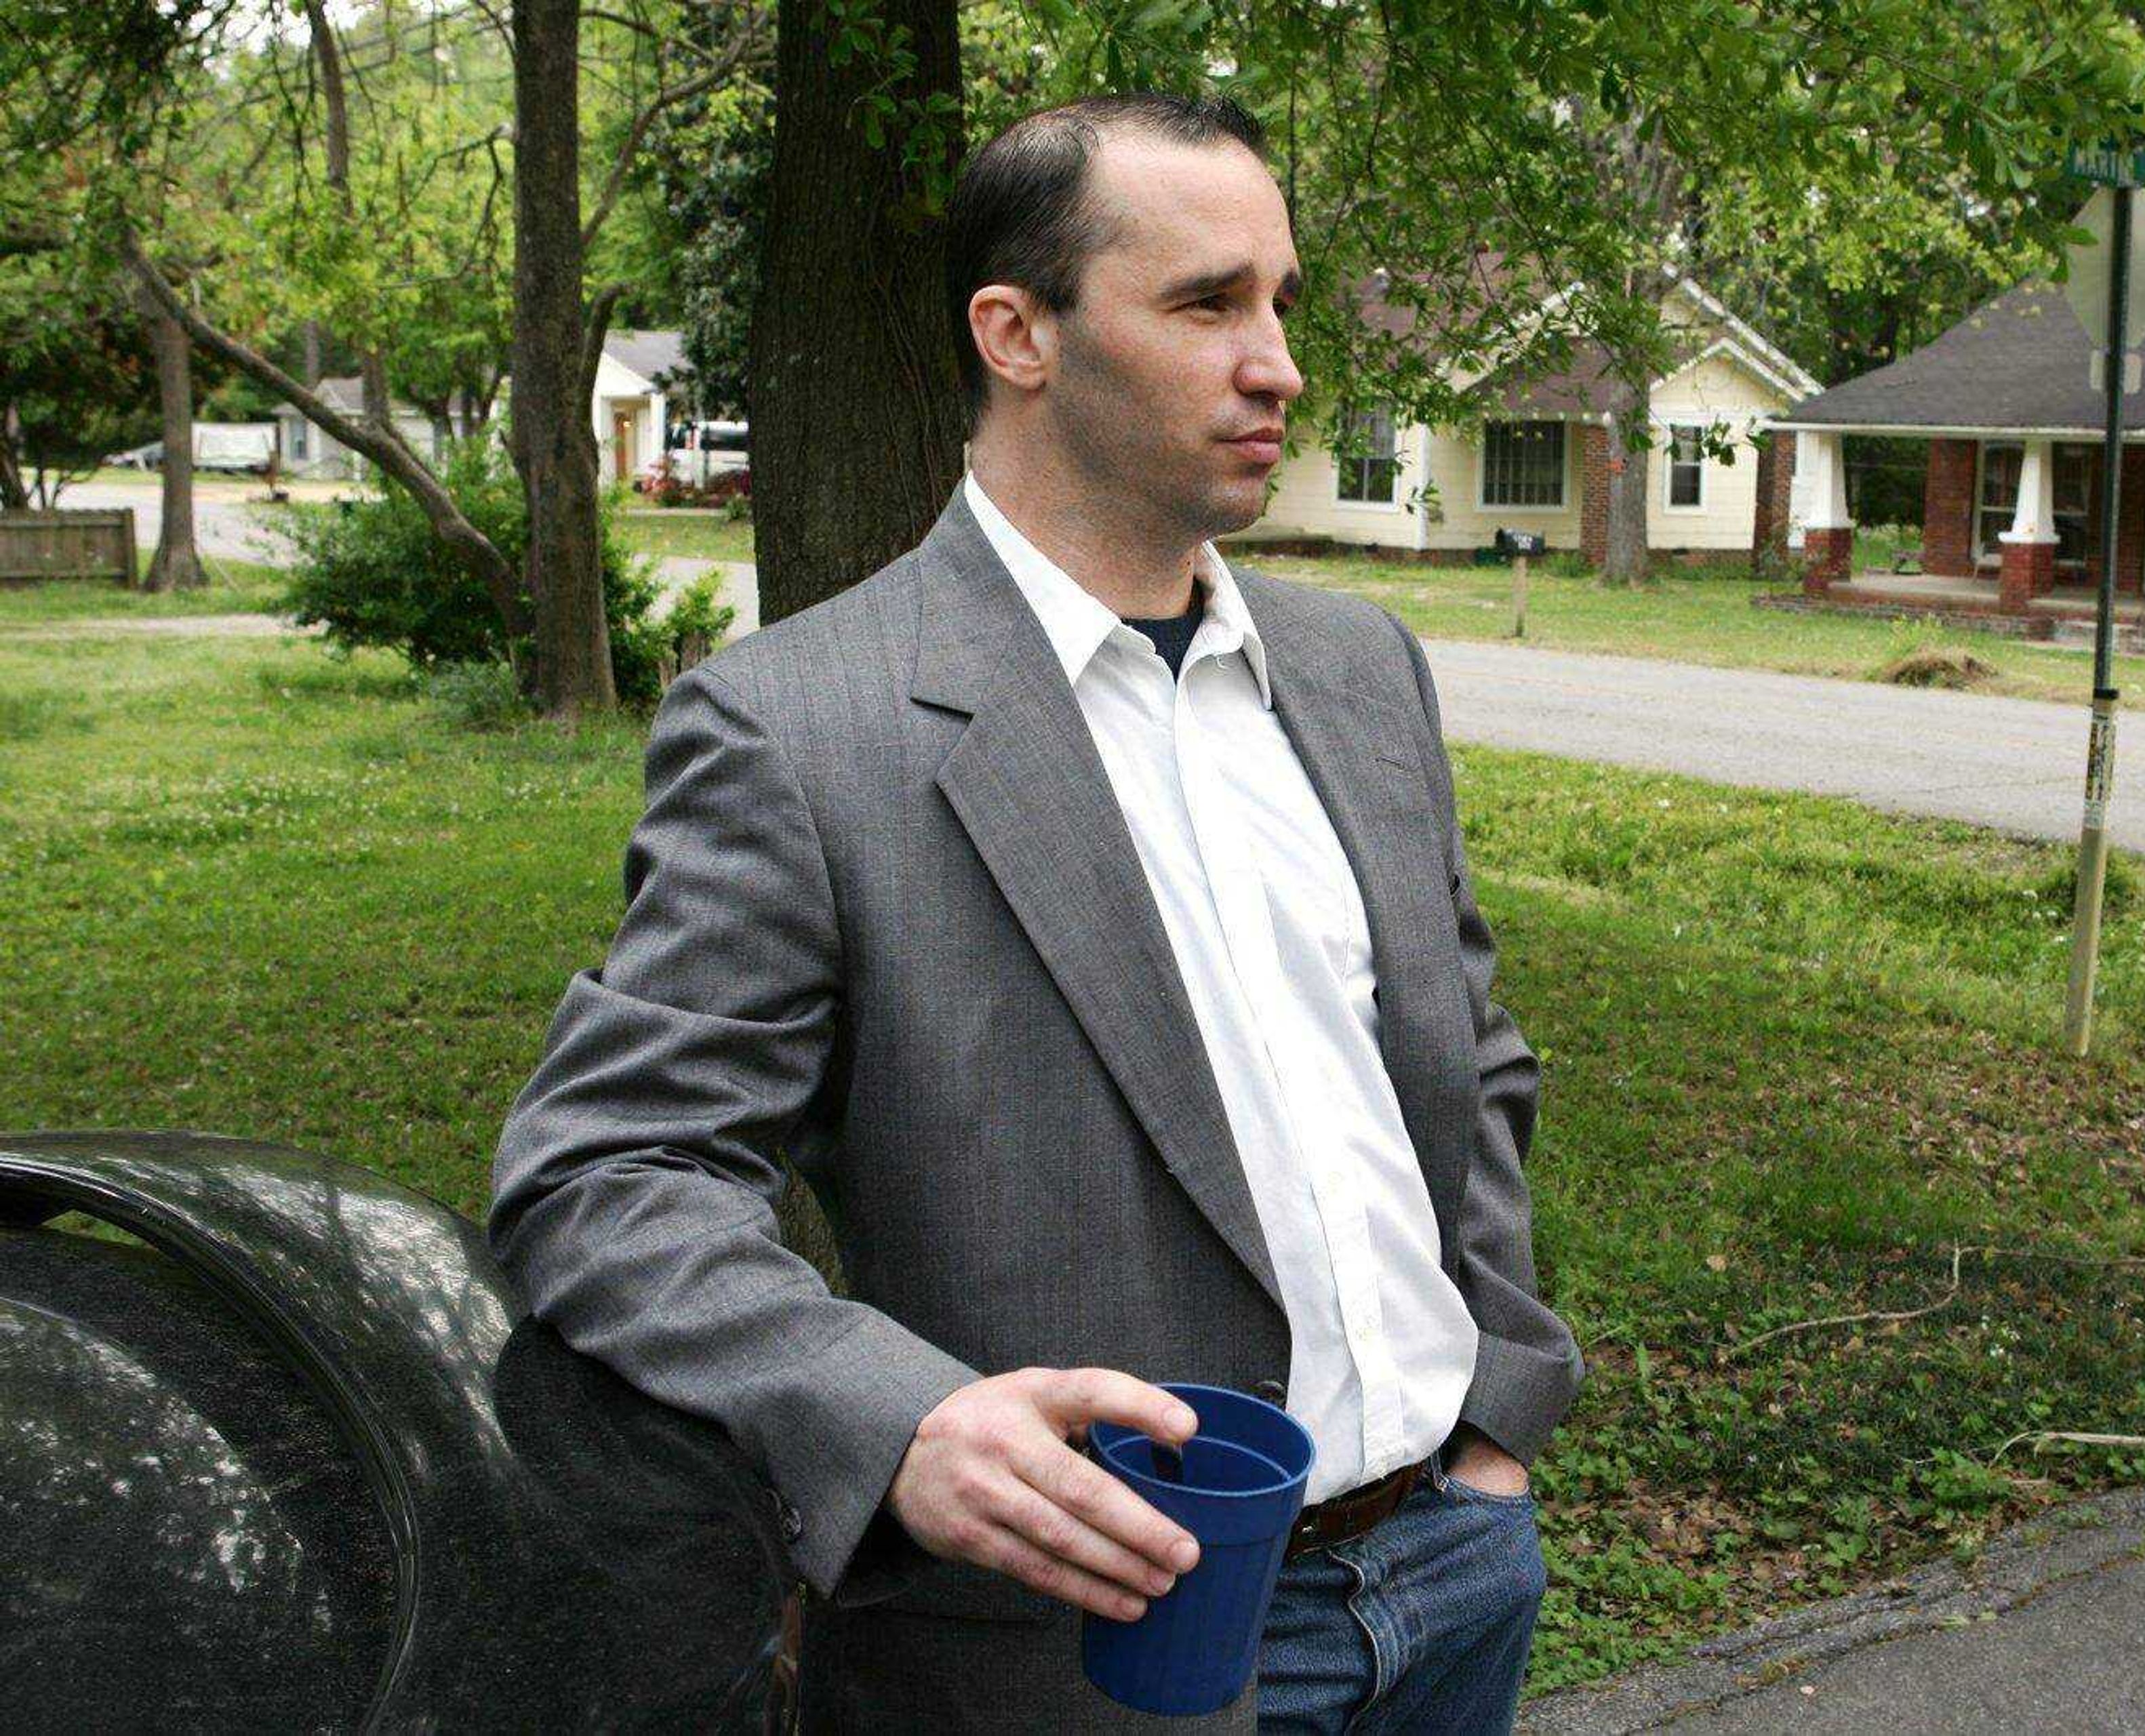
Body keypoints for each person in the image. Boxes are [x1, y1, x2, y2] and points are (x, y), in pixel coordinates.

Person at [487, 91, 1582, 1732]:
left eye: (1280, 300)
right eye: (1209, 305)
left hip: (1457, 1574)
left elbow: (1467, 1057)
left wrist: (1497, 1404)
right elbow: (607, 1174)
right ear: (1019, 334)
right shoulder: (803, 728)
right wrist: (898, 1419)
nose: (1278, 361)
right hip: (1077, 1655)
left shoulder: (1361, 673)